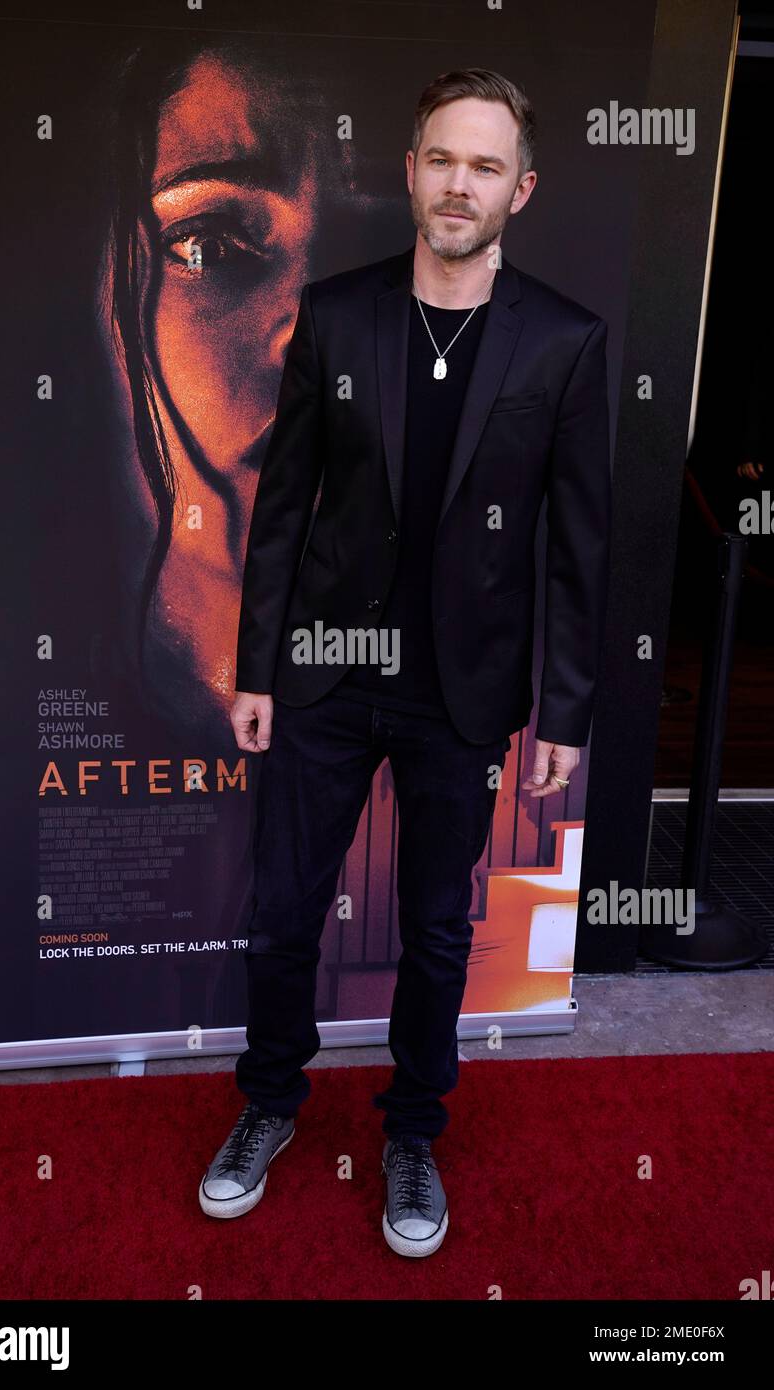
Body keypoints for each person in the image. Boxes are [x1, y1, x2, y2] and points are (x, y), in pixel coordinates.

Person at [199, 68, 612, 1257]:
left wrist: (566, 717)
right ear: (411, 168)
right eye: (441, 158)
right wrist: (259, 666)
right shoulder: (338, 314)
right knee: (283, 914)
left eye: (485, 166)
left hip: (462, 694)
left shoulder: (565, 342)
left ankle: (412, 1130)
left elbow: (576, 550)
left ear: (518, 190)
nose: (458, 183)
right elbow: (281, 510)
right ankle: (269, 1105)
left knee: (438, 928)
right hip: (326, 672)